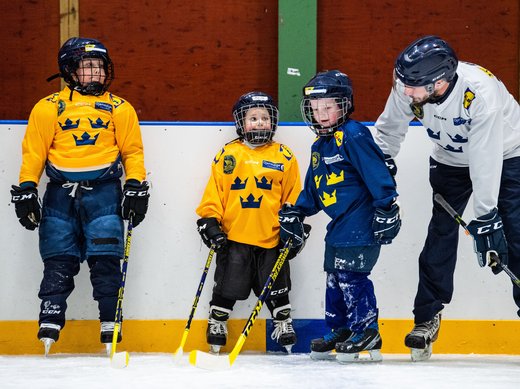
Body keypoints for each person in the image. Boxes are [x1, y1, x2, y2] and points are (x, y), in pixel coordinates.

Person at [373, 35, 520, 361]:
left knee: (514, 234)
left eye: (413, 86)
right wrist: (379, 170)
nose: (404, 90)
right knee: (440, 232)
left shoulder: (480, 95)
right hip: (449, 161)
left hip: (508, 156)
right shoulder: (407, 85)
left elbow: (486, 159)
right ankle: (427, 316)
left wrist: (485, 215)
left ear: (439, 82)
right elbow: (390, 129)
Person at [10, 37, 149, 355]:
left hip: (105, 195)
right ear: (70, 70)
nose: (96, 72)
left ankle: (110, 321)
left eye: (100, 66)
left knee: (106, 262)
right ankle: (50, 318)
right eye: (88, 67)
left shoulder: (119, 108)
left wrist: (136, 185)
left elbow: (132, 151)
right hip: (59, 195)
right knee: (58, 259)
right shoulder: (48, 107)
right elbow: (34, 153)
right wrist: (27, 188)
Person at [278, 70, 401, 362]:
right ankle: (342, 329)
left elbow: (376, 171)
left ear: (343, 105)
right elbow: (314, 189)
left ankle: (367, 330)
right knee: (334, 278)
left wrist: (387, 206)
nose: (321, 114)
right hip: (339, 226)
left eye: (328, 107)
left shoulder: (354, 134)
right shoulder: (319, 147)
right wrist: (297, 211)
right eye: (316, 108)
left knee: (351, 278)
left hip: (362, 222)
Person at [196, 91, 306, 353]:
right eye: (253, 118)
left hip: (272, 237)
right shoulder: (228, 154)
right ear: (241, 122)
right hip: (234, 236)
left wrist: (295, 226)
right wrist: (210, 221)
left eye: (265, 118)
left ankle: (282, 321)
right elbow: (216, 193)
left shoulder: (284, 156)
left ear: (273, 122)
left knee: (277, 282)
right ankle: (218, 320)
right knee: (228, 282)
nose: (259, 123)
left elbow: (294, 196)